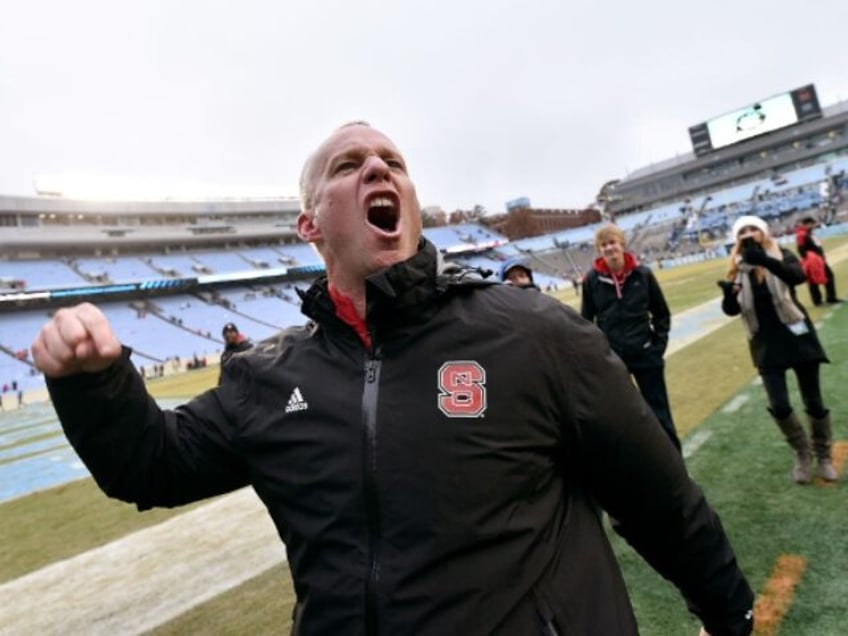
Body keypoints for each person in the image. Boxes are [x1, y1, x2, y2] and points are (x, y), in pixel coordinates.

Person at [32, 122, 753, 636]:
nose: (378, 168)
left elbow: (658, 499)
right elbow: (148, 466)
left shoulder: (531, 333)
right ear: (309, 225)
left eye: (393, 161)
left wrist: (729, 613)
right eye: (348, 165)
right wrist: (95, 383)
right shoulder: (265, 377)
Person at [718, 215, 838, 484]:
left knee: (813, 401)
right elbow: (733, 309)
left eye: (753, 229)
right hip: (765, 344)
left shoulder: (780, 255)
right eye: (743, 232)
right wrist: (728, 296)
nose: (749, 234)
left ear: (763, 232)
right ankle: (802, 453)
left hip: (797, 336)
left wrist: (765, 260)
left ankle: (824, 455)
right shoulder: (737, 267)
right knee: (779, 404)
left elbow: (797, 277)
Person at [581, 224, 682, 451]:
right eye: (604, 245)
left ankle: (676, 468)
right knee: (625, 417)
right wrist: (600, 354)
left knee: (660, 414)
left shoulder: (642, 274)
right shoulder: (592, 280)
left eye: (613, 242)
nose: (609, 248)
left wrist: (657, 346)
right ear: (599, 249)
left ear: (622, 244)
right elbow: (586, 321)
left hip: (646, 354)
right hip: (614, 361)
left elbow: (661, 313)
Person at [795, 216, 842, 306]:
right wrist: (809, 259)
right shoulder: (802, 235)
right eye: (812, 224)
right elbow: (801, 249)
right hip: (813, 261)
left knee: (825, 276)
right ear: (807, 224)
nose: (813, 226)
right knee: (815, 279)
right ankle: (821, 300)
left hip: (818, 259)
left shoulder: (808, 233)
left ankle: (827, 298)